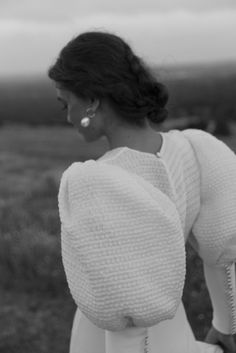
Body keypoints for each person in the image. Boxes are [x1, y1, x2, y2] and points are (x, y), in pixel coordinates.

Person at [48, 31, 236, 353]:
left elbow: (125, 312)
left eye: (67, 103)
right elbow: (224, 250)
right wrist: (226, 325)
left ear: (92, 100)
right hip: (173, 330)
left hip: (111, 342)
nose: (68, 118)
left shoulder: (101, 183)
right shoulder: (194, 151)